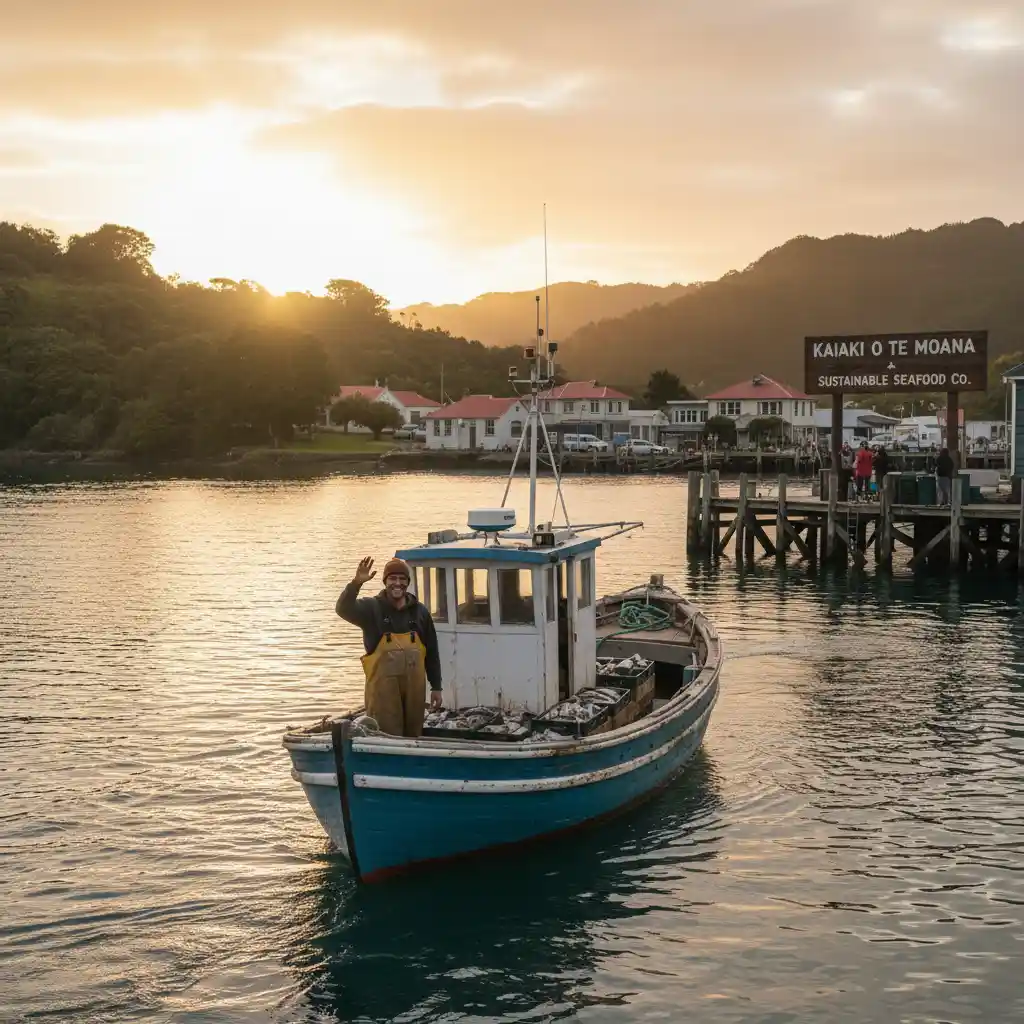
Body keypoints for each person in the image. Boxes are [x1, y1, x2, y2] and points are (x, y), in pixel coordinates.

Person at [336, 556, 442, 737]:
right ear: (385, 582)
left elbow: (431, 652)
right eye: (393, 579)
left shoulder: (420, 612)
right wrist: (356, 583)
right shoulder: (370, 608)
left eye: (402, 579)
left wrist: (436, 687)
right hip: (382, 695)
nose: (397, 583)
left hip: (414, 694)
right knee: (385, 735)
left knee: (414, 735)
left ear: (408, 583)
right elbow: (342, 609)